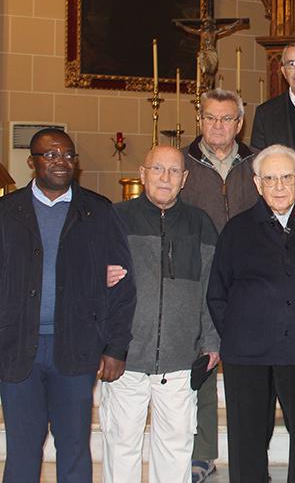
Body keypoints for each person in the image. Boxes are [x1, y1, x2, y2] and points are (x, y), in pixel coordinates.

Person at [0, 128, 136, 482]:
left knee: (75, 448)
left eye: (68, 155)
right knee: (22, 448)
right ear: (32, 162)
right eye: (51, 155)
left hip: (75, 348)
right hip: (17, 350)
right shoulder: (6, 212)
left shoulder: (98, 212)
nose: (62, 161)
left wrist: (116, 347)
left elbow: (123, 286)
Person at [208, 144, 295, 483]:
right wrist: (239, 331)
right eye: (270, 178)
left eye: (286, 177)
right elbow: (217, 293)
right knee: (246, 438)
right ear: (257, 183)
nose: (278, 186)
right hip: (247, 353)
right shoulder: (236, 230)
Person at [103, 146, 220, 483]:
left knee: (174, 448)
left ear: (184, 179)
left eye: (173, 171)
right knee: (121, 445)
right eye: (158, 169)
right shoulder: (115, 218)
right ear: (143, 174)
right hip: (125, 356)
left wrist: (211, 341)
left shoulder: (200, 224)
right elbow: (86, 275)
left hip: (180, 358)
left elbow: (210, 289)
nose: (165, 178)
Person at [181, 88, 258, 482]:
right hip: (199, 270)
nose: (218, 126)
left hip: (248, 274)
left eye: (227, 119)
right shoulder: (182, 163)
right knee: (203, 361)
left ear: (239, 123)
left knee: (250, 363)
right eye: (211, 118)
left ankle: (251, 450)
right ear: (200, 121)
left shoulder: (256, 161)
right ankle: (202, 452)